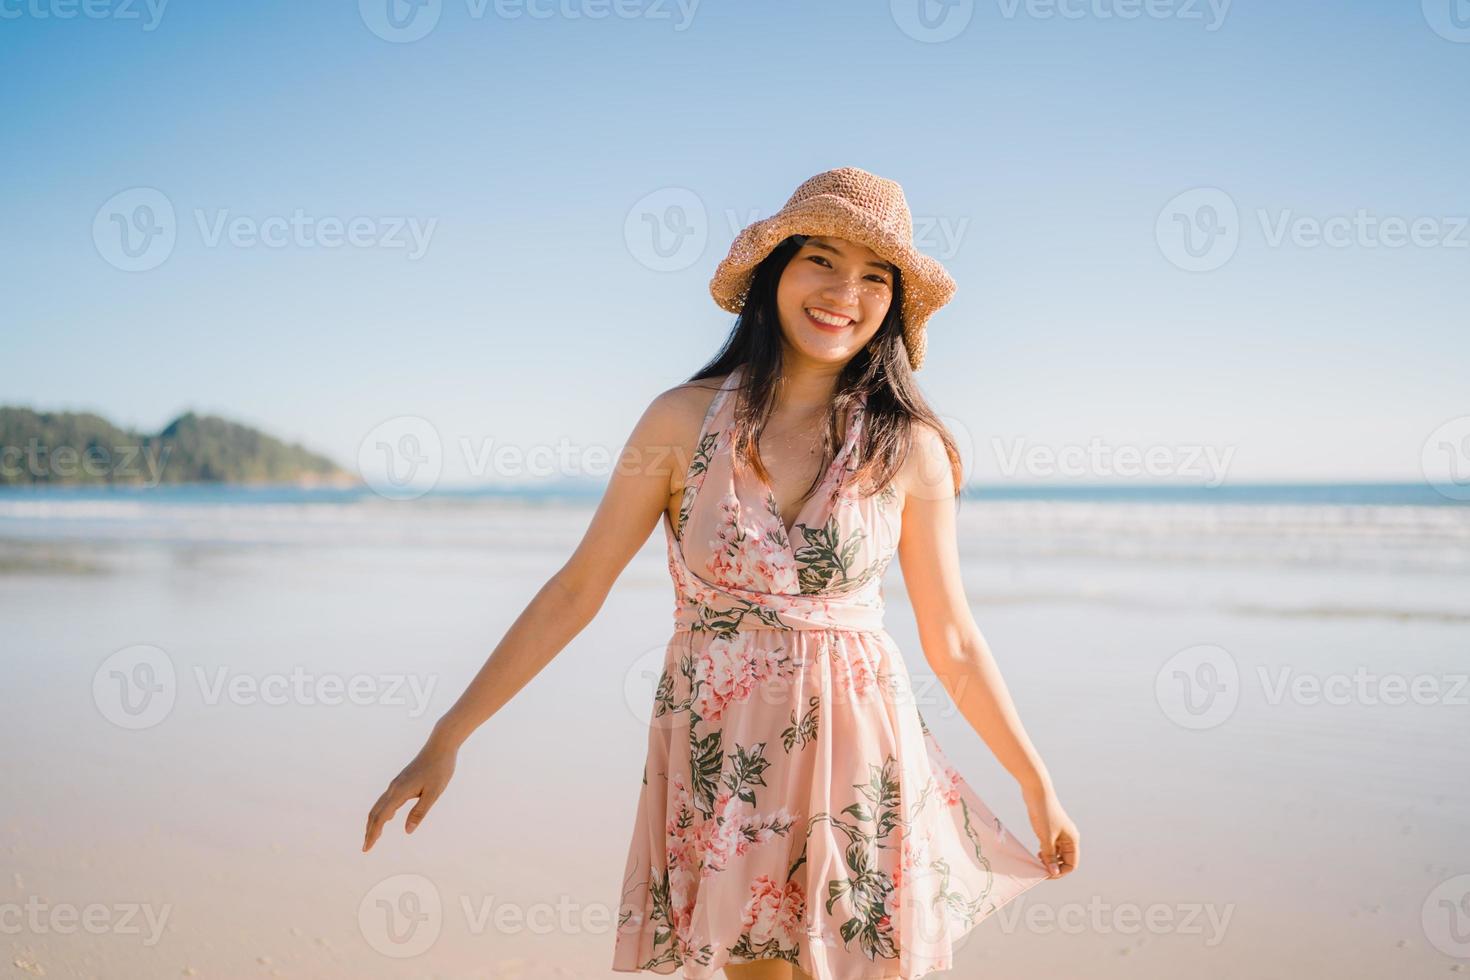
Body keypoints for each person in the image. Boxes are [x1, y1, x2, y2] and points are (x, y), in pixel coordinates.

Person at [363, 167, 1079, 980]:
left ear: (895, 303)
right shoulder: (678, 421)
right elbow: (576, 590)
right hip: (722, 749)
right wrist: (447, 737)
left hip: (857, 756)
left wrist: (1035, 780)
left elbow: (951, 637)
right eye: (821, 259)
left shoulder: (907, 448)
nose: (845, 291)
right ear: (775, 269)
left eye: (875, 277)